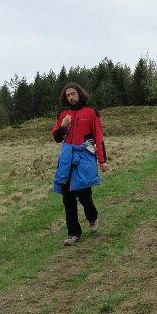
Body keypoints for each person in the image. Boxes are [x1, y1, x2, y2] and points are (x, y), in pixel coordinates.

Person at [52, 83, 109, 246]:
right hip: (66, 158)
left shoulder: (91, 112)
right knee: (68, 198)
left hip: (84, 158)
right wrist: (63, 127)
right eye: (68, 95)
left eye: (73, 94)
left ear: (79, 94)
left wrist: (103, 161)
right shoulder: (64, 114)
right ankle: (73, 233)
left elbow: (98, 137)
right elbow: (57, 138)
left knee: (84, 195)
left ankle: (92, 216)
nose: (71, 97)